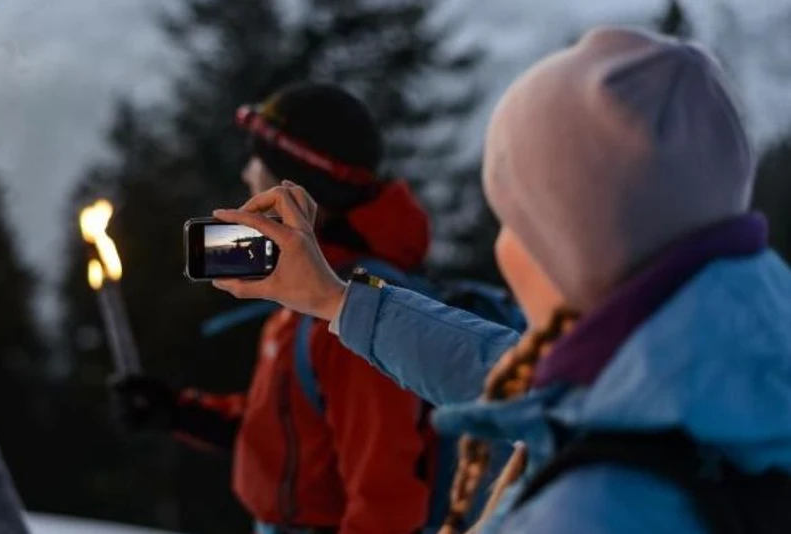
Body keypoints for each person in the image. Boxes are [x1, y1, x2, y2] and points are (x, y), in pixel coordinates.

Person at [212, 27, 791, 533]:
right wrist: (335, 301)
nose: (502, 243)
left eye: (513, 220)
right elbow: (503, 370)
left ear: (563, 247)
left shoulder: (590, 509)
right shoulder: (719, 366)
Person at [111, 83, 517, 534]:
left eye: (256, 161)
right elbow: (292, 426)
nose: (247, 174)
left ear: (293, 186)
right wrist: (180, 411)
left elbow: (385, 499)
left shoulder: (352, 309)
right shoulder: (308, 288)